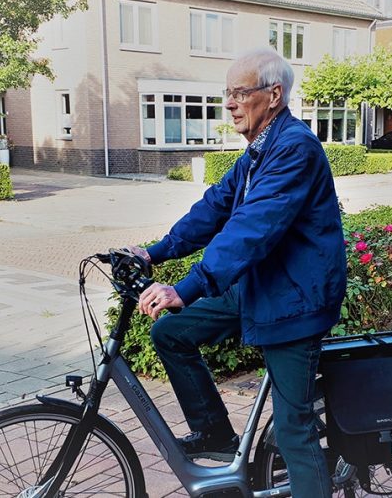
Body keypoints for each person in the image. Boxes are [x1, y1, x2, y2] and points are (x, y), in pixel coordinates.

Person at [127, 47, 346, 498]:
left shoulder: (294, 149)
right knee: (172, 334)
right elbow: (214, 208)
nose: (228, 103)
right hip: (260, 288)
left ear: (274, 95)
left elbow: (251, 229)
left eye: (239, 92)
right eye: (226, 93)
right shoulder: (256, 153)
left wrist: (187, 287)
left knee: (294, 430)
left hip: (293, 301)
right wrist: (153, 254)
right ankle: (214, 434)